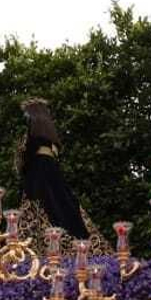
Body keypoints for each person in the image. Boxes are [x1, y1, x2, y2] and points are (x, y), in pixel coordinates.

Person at [15, 98, 104, 252]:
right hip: (53, 172)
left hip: (37, 174)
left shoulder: (32, 136)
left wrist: (21, 158)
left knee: (39, 209)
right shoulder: (50, 138)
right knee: (64, 206)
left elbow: (23, 157)